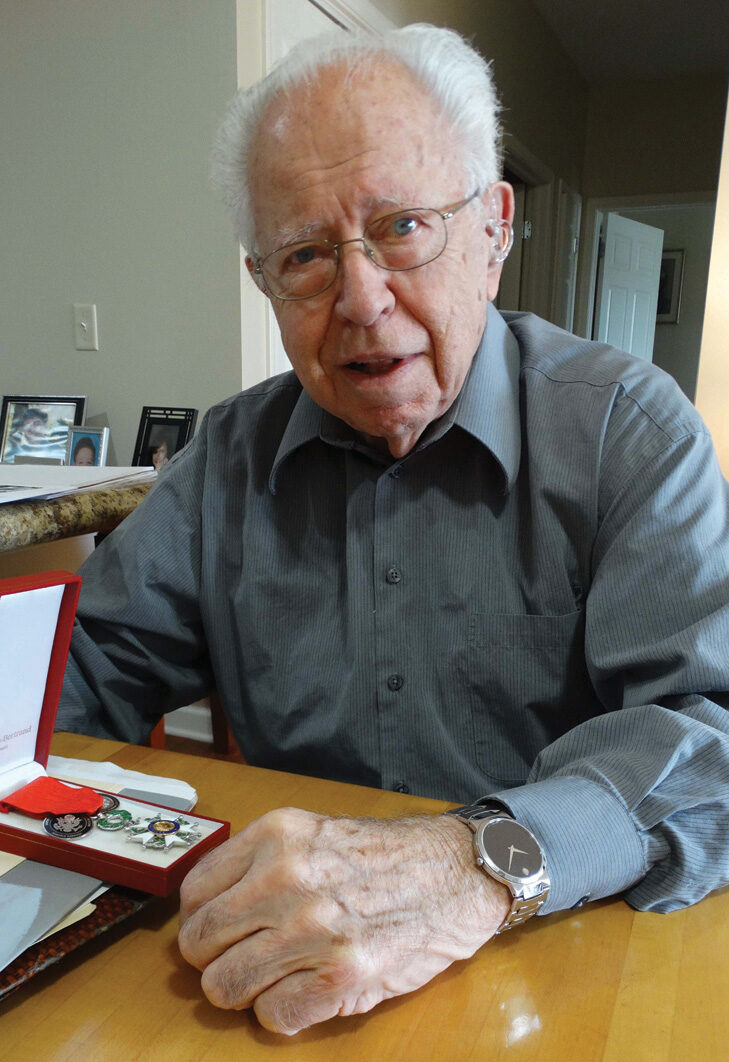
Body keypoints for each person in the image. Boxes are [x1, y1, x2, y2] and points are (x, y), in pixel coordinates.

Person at [57, 24, 729, 1036]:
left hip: (565, 966)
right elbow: (86, 672)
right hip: (287, 990)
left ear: (494, 231)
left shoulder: (629, 432)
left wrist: (476, 858)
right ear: (264, 283)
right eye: (306, 255)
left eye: (404, 226)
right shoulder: (227, 458)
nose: (363, 299)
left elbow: (710, 736)